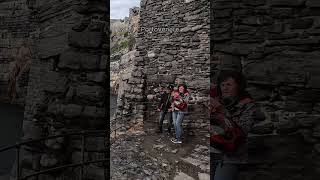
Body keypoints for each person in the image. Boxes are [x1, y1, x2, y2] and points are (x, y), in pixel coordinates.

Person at [209, 70, 257, 180]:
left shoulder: (247, 105)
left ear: (238, 86)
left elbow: (243, 129)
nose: (225, 88)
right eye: (223, 85)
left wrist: (222, 110)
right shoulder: (216, 100)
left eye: (229, 84)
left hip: (231, 156)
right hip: (212, 150)